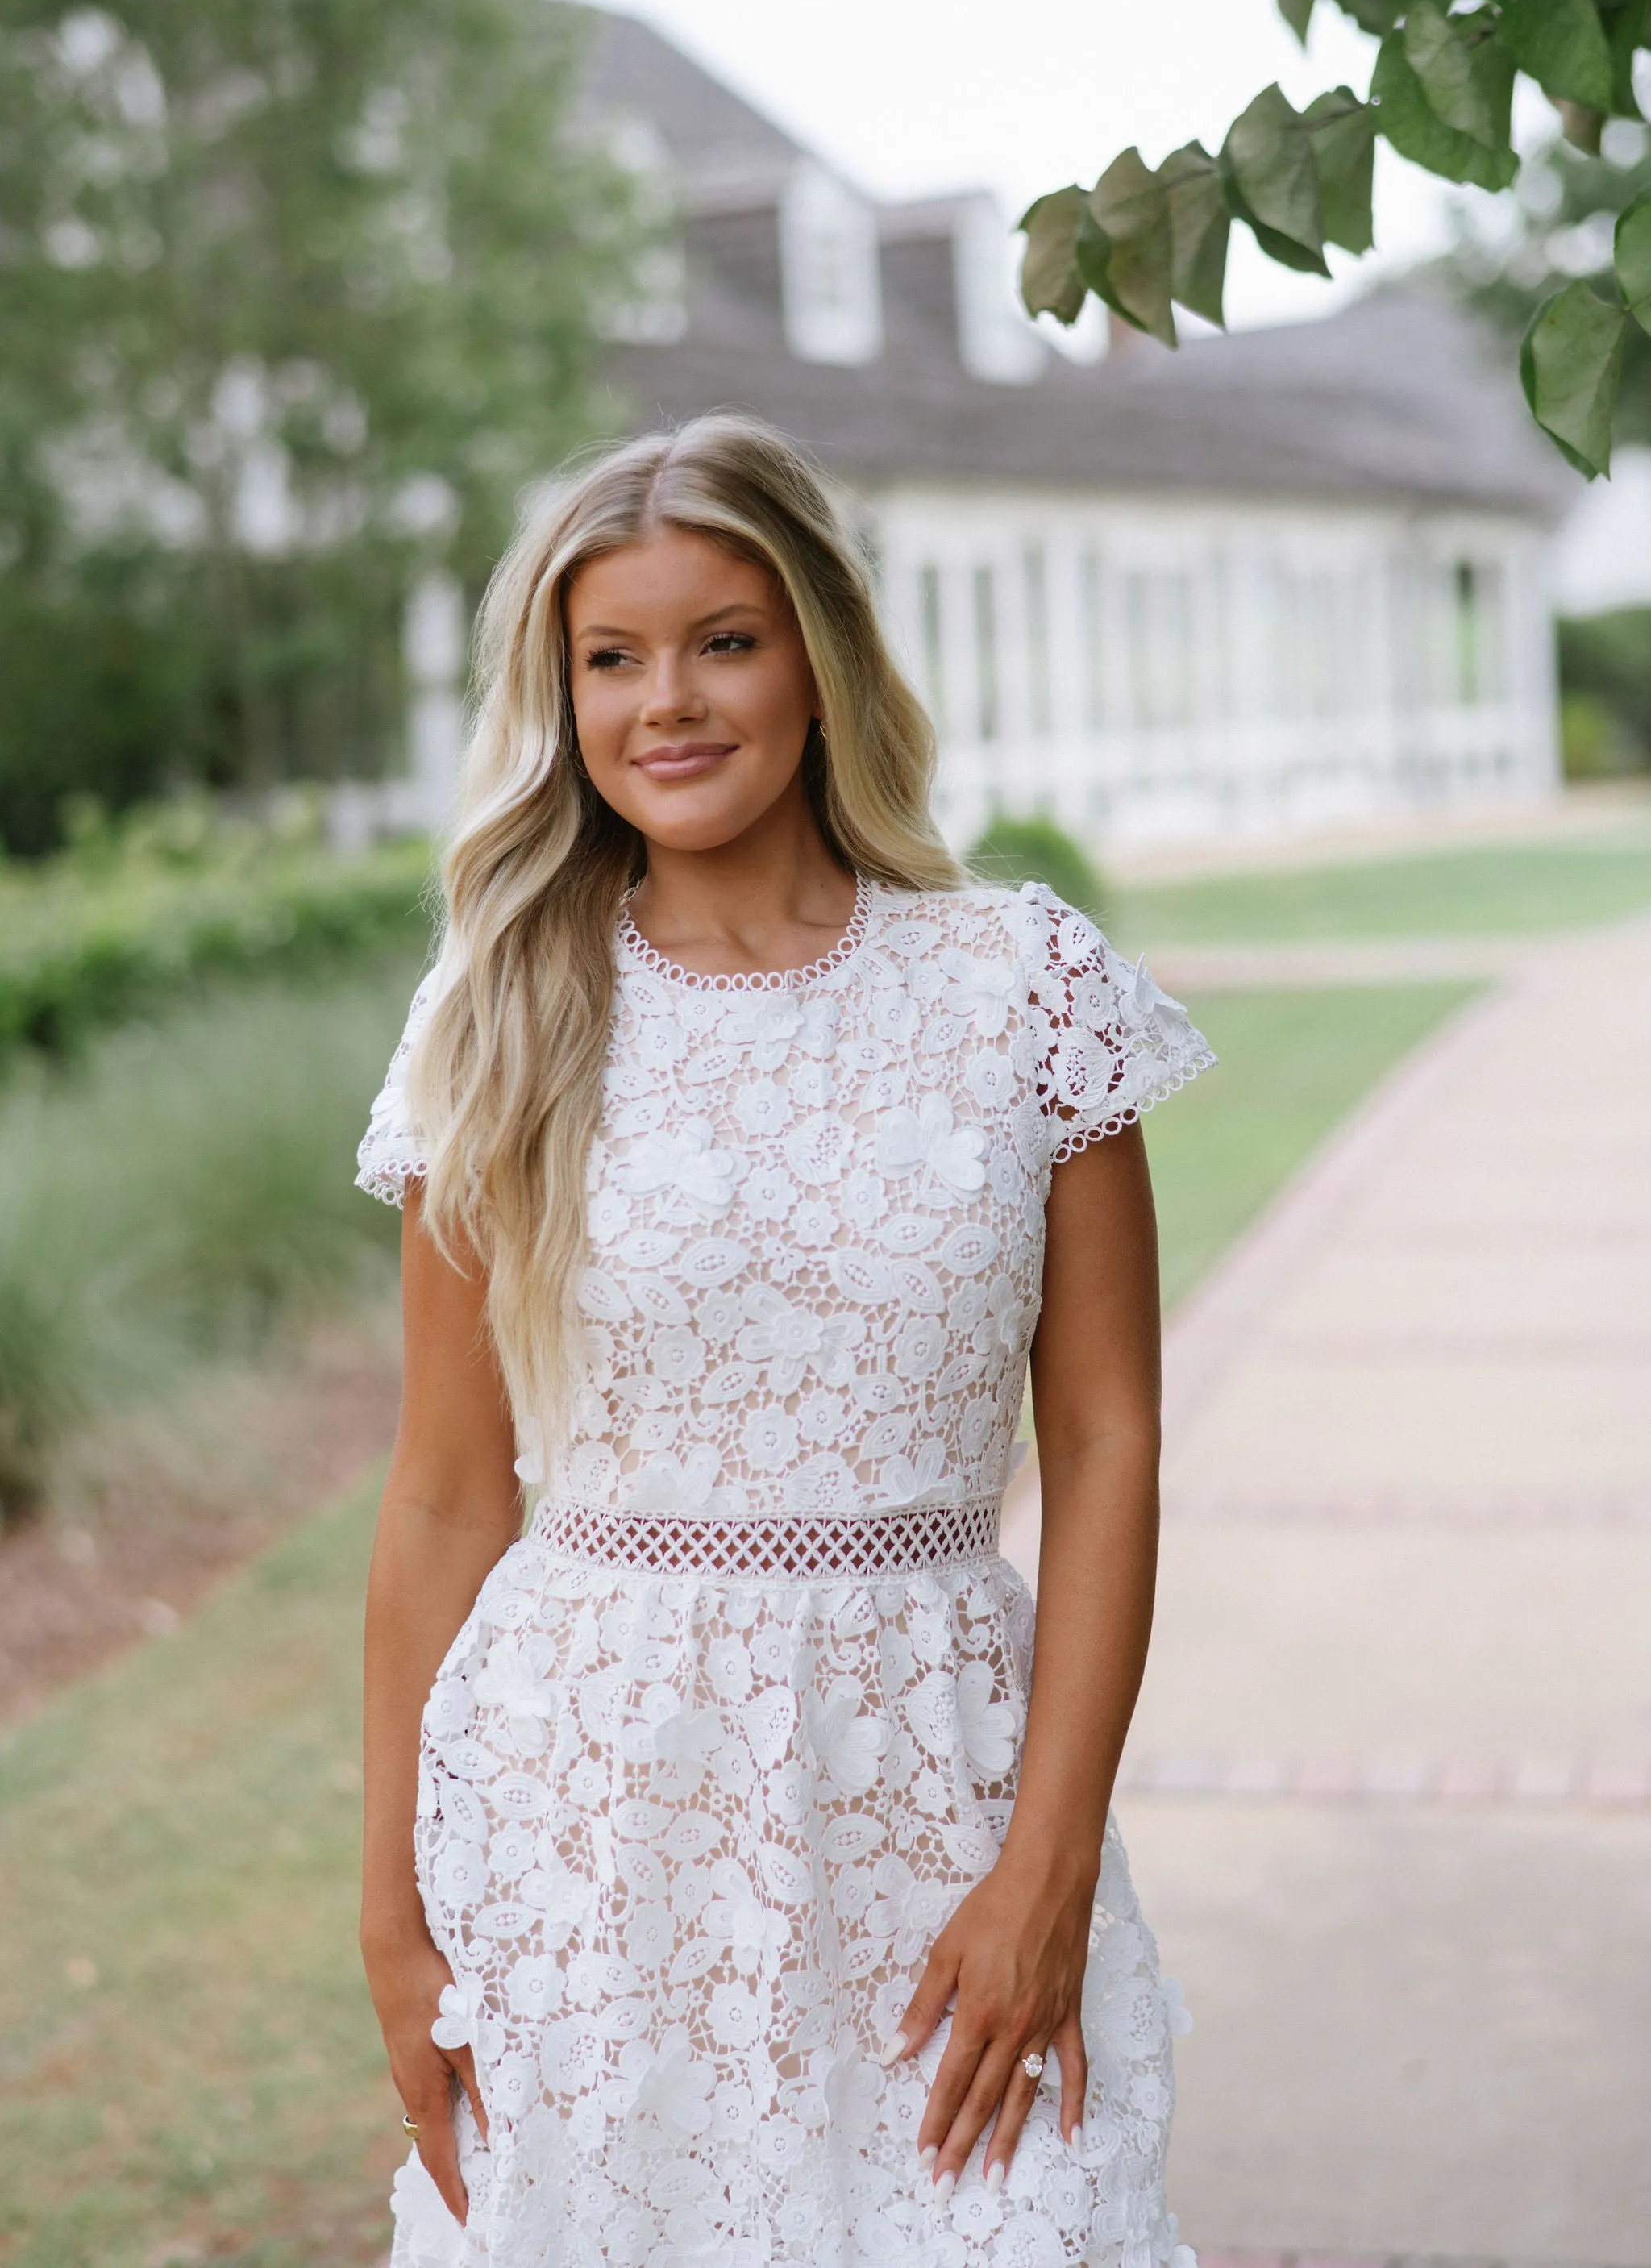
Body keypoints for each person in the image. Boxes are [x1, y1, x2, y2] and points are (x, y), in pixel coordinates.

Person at [356, 413, 1213, 2268]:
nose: (668, 699)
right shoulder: (500, 1015)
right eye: (612, 656)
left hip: (940, 1786)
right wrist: (391, 1921)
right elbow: (439, 1498)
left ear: (819, 659)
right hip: (589, 1823)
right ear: (562, 694)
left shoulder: (1020, 985)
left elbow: (1110, 1444)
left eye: (723, 639)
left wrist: (1050, 1859)